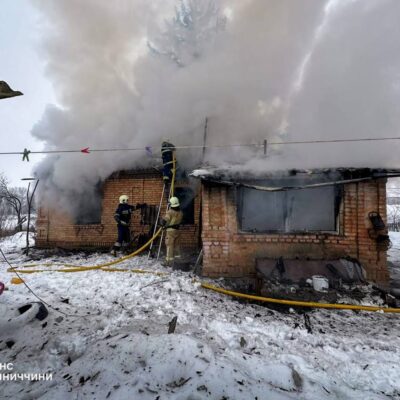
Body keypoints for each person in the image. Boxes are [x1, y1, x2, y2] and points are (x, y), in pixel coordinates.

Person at [160, 196, 183, 266]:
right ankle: (178, 261)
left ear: (171, 204)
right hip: (177, 231)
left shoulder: (170, 212)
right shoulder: (180, 212)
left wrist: (162, 222)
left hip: (170, 232)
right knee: (176, 246)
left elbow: (165, 220)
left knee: (169, 246)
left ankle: (168, 262)